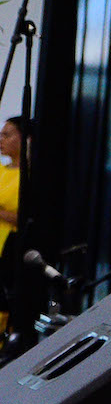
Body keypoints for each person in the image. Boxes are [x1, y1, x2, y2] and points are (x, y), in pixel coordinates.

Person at [0, 115, 25, 337]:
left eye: (7, 135)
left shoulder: (28, 175)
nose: (1, 140)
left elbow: (25, 217)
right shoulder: (1, 170)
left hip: (9, 248)